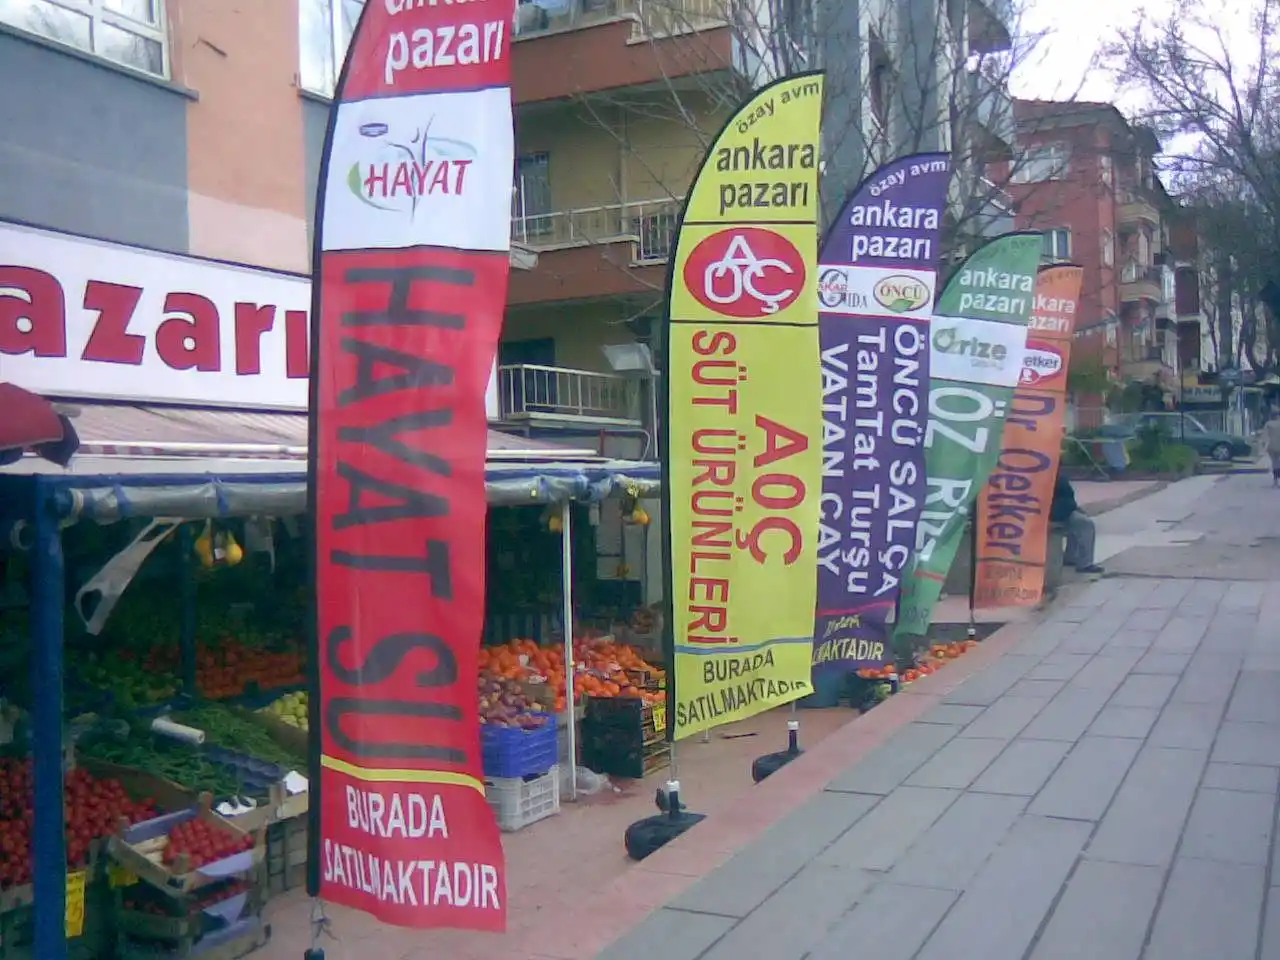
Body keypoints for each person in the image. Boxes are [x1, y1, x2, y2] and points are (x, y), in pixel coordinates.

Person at [1050, 470, 1104, 574]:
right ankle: (1081, 562)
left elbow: (1067, 497)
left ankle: (1077, 559)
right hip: (1045, 515)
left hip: (1062, 512)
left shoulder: (1059, 476)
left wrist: (1074, 508)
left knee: (1084, 523)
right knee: (1082, 524)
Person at [1265, 412, 1280, 488]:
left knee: (1275, 463)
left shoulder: (1268, 424)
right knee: (1277, 463)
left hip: (1271, 446)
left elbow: (1265, 436)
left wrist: (1264, 447)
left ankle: (1275, 481)